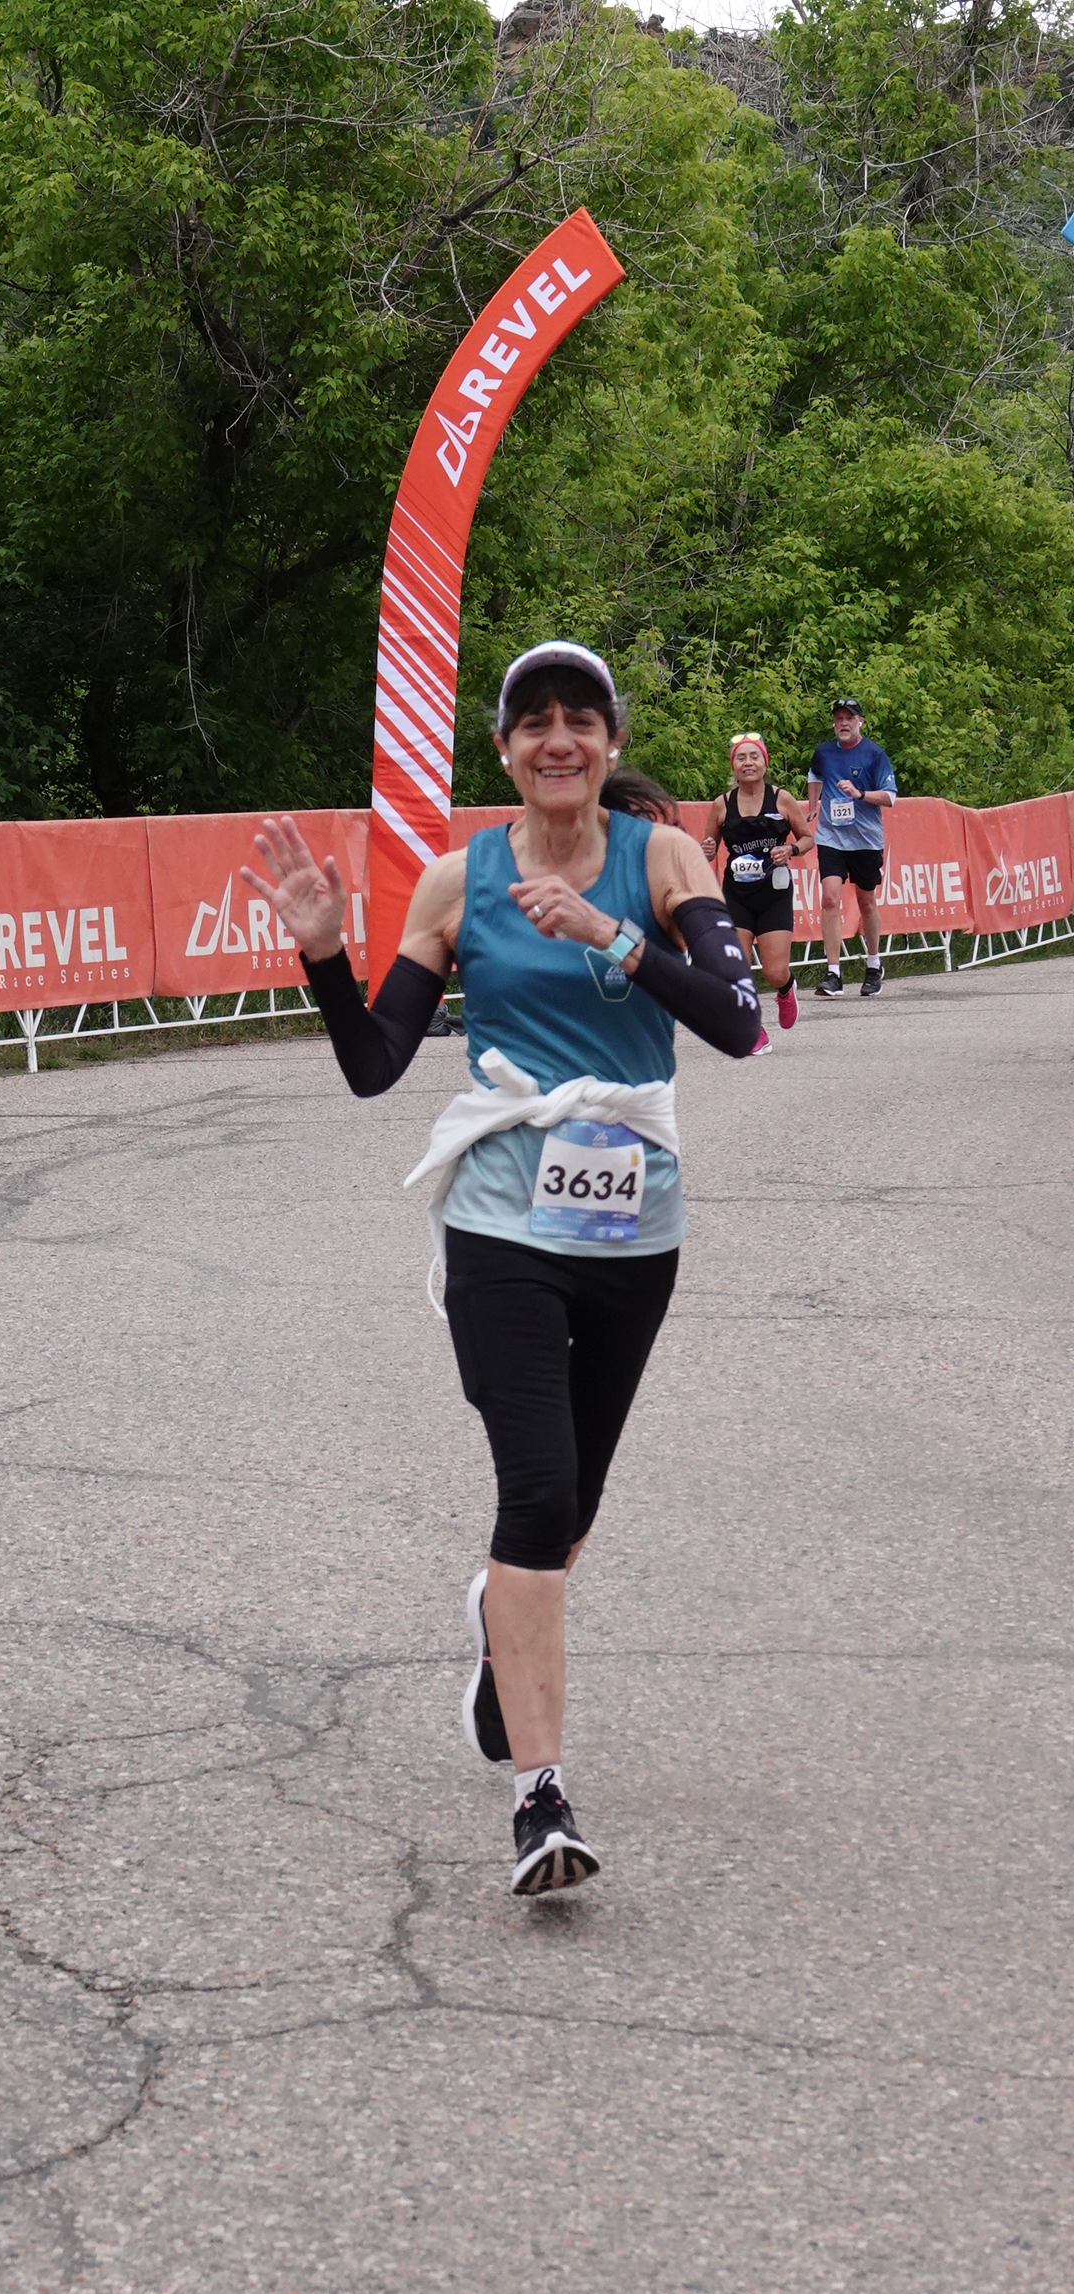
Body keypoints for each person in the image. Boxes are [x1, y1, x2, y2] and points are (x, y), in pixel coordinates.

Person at [242, 641, 761, 1898]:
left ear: (611, 743)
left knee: (571, 1508)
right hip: (498, 1224)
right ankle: (541, 1797)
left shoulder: (664, 861)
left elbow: (738, 1021)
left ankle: (498, 1623)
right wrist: (323, 954)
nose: (557, 739)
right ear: (506, 751)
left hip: (631, 1227)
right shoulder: (455, 880)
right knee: (536, 1490)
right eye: (534, 722)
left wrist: (613, 937)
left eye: (580, 719)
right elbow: (374, 1063)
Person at [702, 734, 813, 1049]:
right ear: (733, 766)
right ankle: (753, 1031)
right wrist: (707, 848)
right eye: (741, 758)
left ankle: (785, 989)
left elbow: (808, 839)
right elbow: (708, 849)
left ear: (765, 763)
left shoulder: (782, 799)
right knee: (735, 969)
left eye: (754, 757)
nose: (748, 763)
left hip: (773, 894)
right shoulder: (721, 805)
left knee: (774, 971)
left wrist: (790, 849)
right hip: (736, 895)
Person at [807, 697, 896, 997]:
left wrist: (860, 794)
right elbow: (814, 774)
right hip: (831, 837)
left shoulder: (874, 754)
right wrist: (812, 805)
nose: (843, 723)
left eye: (849, 718)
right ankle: (833, 973)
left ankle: (873, 964)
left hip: (865, 840)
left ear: (860, 722)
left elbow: (890, 797)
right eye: (839, 718)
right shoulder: (824, 752)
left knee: (866, 901)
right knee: (830, 898)